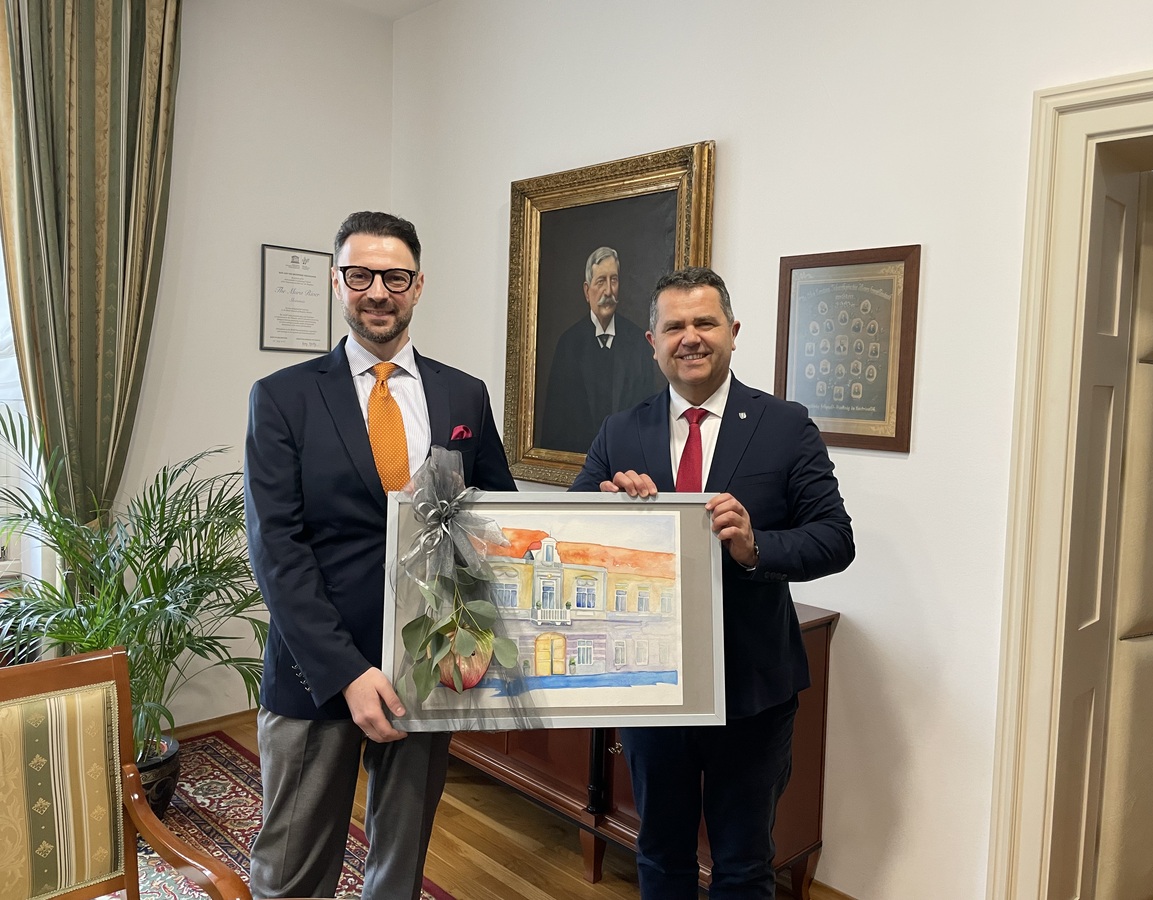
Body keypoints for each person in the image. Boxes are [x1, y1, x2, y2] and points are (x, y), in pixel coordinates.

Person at [244, 211, 516, 900]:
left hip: (428, 664)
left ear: (418, 286)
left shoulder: (464, 394)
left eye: (395, 277)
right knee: (292, 871)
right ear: (337, 283)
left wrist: (603, 509)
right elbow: (276, 550)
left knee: (398, 866)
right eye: (360, 275)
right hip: (317, 672)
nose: (377, 292)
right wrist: (346, 672)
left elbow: (497, 519)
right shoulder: (283, 398)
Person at [570, 266, 854, 899]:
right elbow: (570, 533)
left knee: (745, 865)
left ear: (733, 331)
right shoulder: (620, 431)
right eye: (675, 326)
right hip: (651, 685)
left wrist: (756, 547)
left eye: (705, 322)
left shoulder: (785, 425)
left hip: (753, 689)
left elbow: (835, 538)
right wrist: (610, 511)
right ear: (653, 341)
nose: (691, 337)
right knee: (660, 855)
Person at [540, 246, 660, 453]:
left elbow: (648, 416)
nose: (608, 291)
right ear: (587, 291)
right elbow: (555, 423)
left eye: (614, 280)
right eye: (601, 281)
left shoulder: (638, 342)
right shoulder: (568, 345)